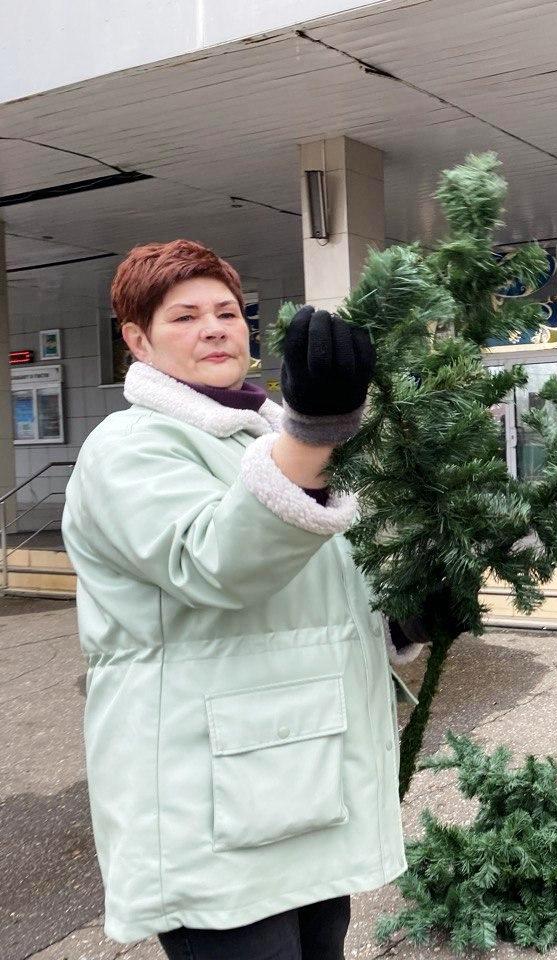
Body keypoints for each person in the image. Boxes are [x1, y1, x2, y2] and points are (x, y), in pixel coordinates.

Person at [62, 240, 420, 959]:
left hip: (306, 790)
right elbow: (215, 563)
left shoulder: (265, 435)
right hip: (211, 812)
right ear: (138, 341)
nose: (214, 329)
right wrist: (313, 435)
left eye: (227, 312)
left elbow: (320, 589)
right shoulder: (129, 447)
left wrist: (403, 616)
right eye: (184, 316)